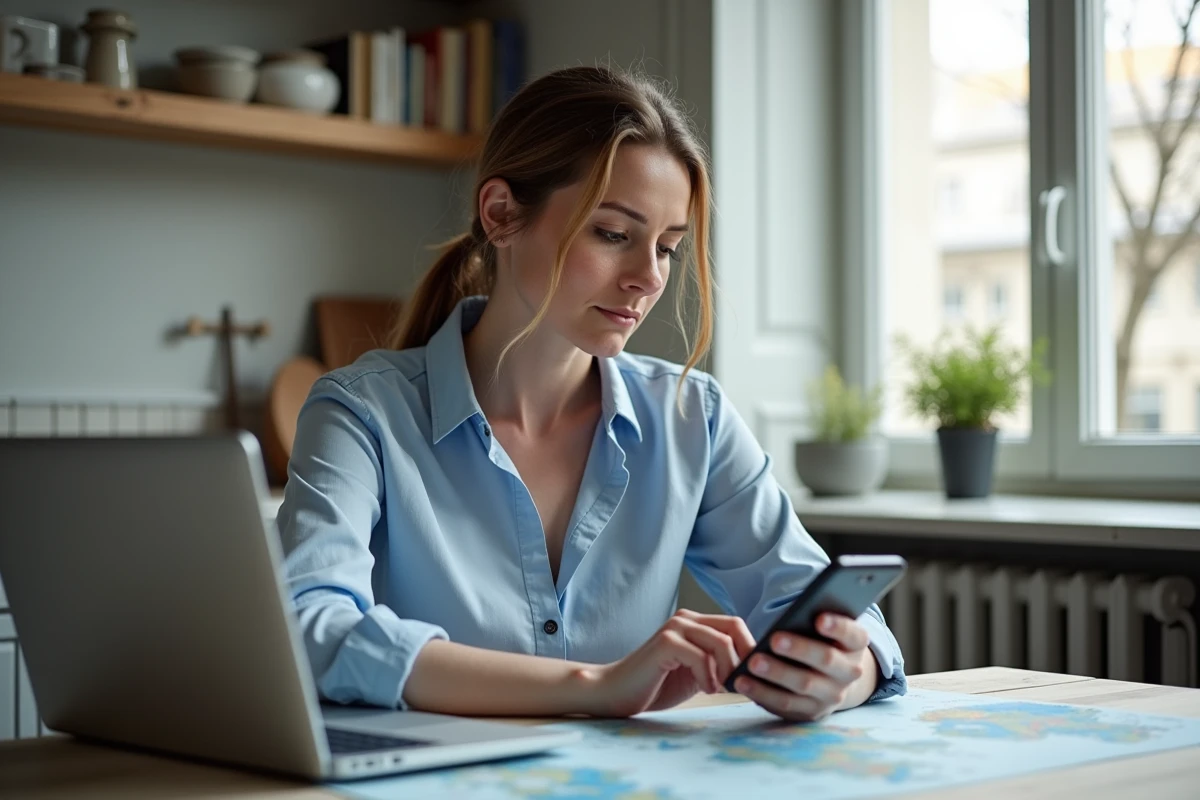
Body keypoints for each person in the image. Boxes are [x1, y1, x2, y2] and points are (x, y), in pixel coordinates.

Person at [277, 65, 906, 722]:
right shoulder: (360, 414)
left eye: (667, 247)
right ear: (501, 215)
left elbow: (840, 615)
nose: (647, 278)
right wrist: (593, 685)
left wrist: (843, 672)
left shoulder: (694, 417)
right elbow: (311, 628)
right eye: (613, 234)